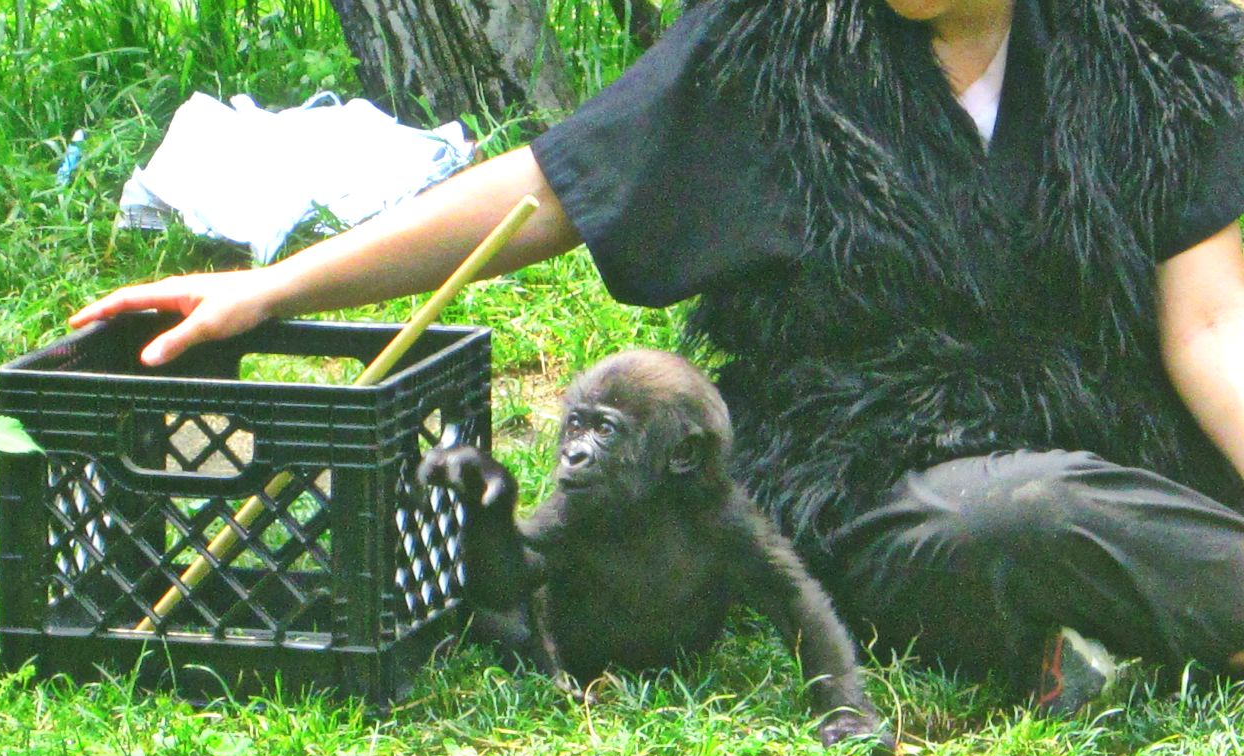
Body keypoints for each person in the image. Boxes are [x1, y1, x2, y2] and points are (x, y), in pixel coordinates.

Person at [72, 0, 1244, 715]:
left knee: (1103, 495)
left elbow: (1206, 327)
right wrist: (273, 285)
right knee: (1017, 522)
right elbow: (547, 190)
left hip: (1107, 430)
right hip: (879, 475)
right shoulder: (773, 40)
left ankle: (1114, 624)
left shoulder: (1143, 48)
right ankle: (1129, 603)